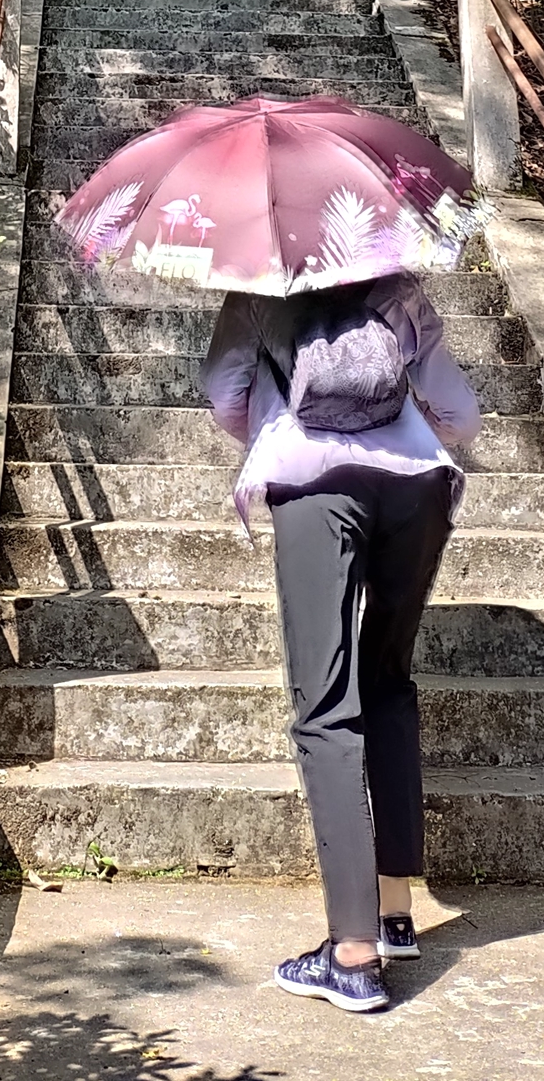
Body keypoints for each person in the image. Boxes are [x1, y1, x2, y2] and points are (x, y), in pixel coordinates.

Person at [200, 277, 481, 1015]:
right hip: (418, 487)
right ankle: (393, 914)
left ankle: (352, 959)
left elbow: (224, 393)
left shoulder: (257, 290)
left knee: (324, 709)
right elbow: (461, 413)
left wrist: (275, 413)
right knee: (387, 684)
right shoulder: (400, 290)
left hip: (313, 483)